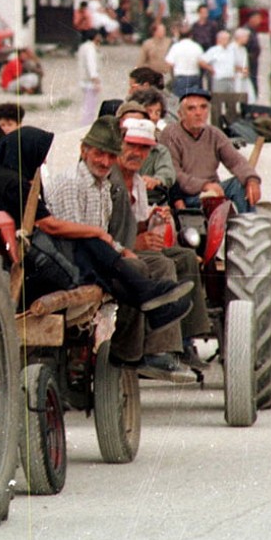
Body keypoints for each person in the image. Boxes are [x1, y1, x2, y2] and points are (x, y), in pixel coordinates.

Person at [0, 122, 193, 336]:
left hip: (10, 264)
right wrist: (97, 233)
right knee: (90, 243)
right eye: (41, 155)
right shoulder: (13, 183)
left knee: (95, 253)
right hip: (23, 270)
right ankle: (149, 295)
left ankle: (152, 303)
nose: (43, 162)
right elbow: (50, 225)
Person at [43, 117, 195, 366]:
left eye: (111, 156)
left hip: (93, 254)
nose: (105, 162)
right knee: (135, 267)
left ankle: (146, 329)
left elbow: (101, 234)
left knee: (139, 263)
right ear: (84, 151)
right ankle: (128, 348)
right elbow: (75, 233)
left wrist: (122, 250)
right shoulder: (71, 182)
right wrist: (118, 250)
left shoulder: (103, 186)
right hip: (68, 258)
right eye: (99, 154)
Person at [110, 117, 212, 373]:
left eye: (144, 148)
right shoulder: (111, 180)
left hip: (129, 245)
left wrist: (151, 222)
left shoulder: (137, 182)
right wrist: (137, 241)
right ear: (119, 145)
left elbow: (136, 224)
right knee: (163, 264)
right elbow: (105, 232)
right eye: (131, 145)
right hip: (113, 251)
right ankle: (158, 349)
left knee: (185, 257)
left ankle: (186, 338)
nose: (137, 153)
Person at [159, 87, 261, 214]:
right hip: (186, 197)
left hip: (213, 192)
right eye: (191, 108)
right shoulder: (170, 134)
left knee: (241, 183)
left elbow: (236, 161)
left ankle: (248, 221)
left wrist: (251, 179)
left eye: (203, 107)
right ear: (180, 114)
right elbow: (174, 173)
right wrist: (204, 185)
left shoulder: (214, 133)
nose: (198, 113)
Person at [165, 26, 204, 98]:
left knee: (180, 100)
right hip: (194, 77)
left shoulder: (176, 47)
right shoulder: (196, 47)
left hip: (180, 78)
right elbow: (202, 62)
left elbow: (169, 63)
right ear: (191, 36)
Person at [78, 29, 104, 125]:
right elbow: (91, 64)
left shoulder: (85, 46)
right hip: (89, 82)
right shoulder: (90, 48)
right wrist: (95, 80)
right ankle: (86, 125)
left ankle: (86, 123)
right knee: (90, 106)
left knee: (88, 104)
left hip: (85, 80)